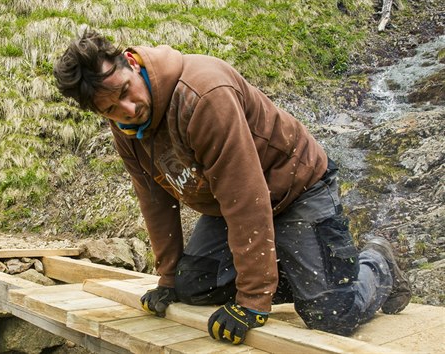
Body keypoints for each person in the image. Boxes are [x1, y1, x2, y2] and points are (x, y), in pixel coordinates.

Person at [52, 29, 411, 345]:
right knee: (191, 286)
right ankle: (285, 265)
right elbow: (155, 200)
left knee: (331, 313)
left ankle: (377, 262)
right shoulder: (127, 130)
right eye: (112, 109)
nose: (130, 109)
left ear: (131, 62)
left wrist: (253, 299)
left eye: (126, 92)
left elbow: (245, 196)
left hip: (296, 190)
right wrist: (167, 278)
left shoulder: (203, 94)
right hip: (229, 205)